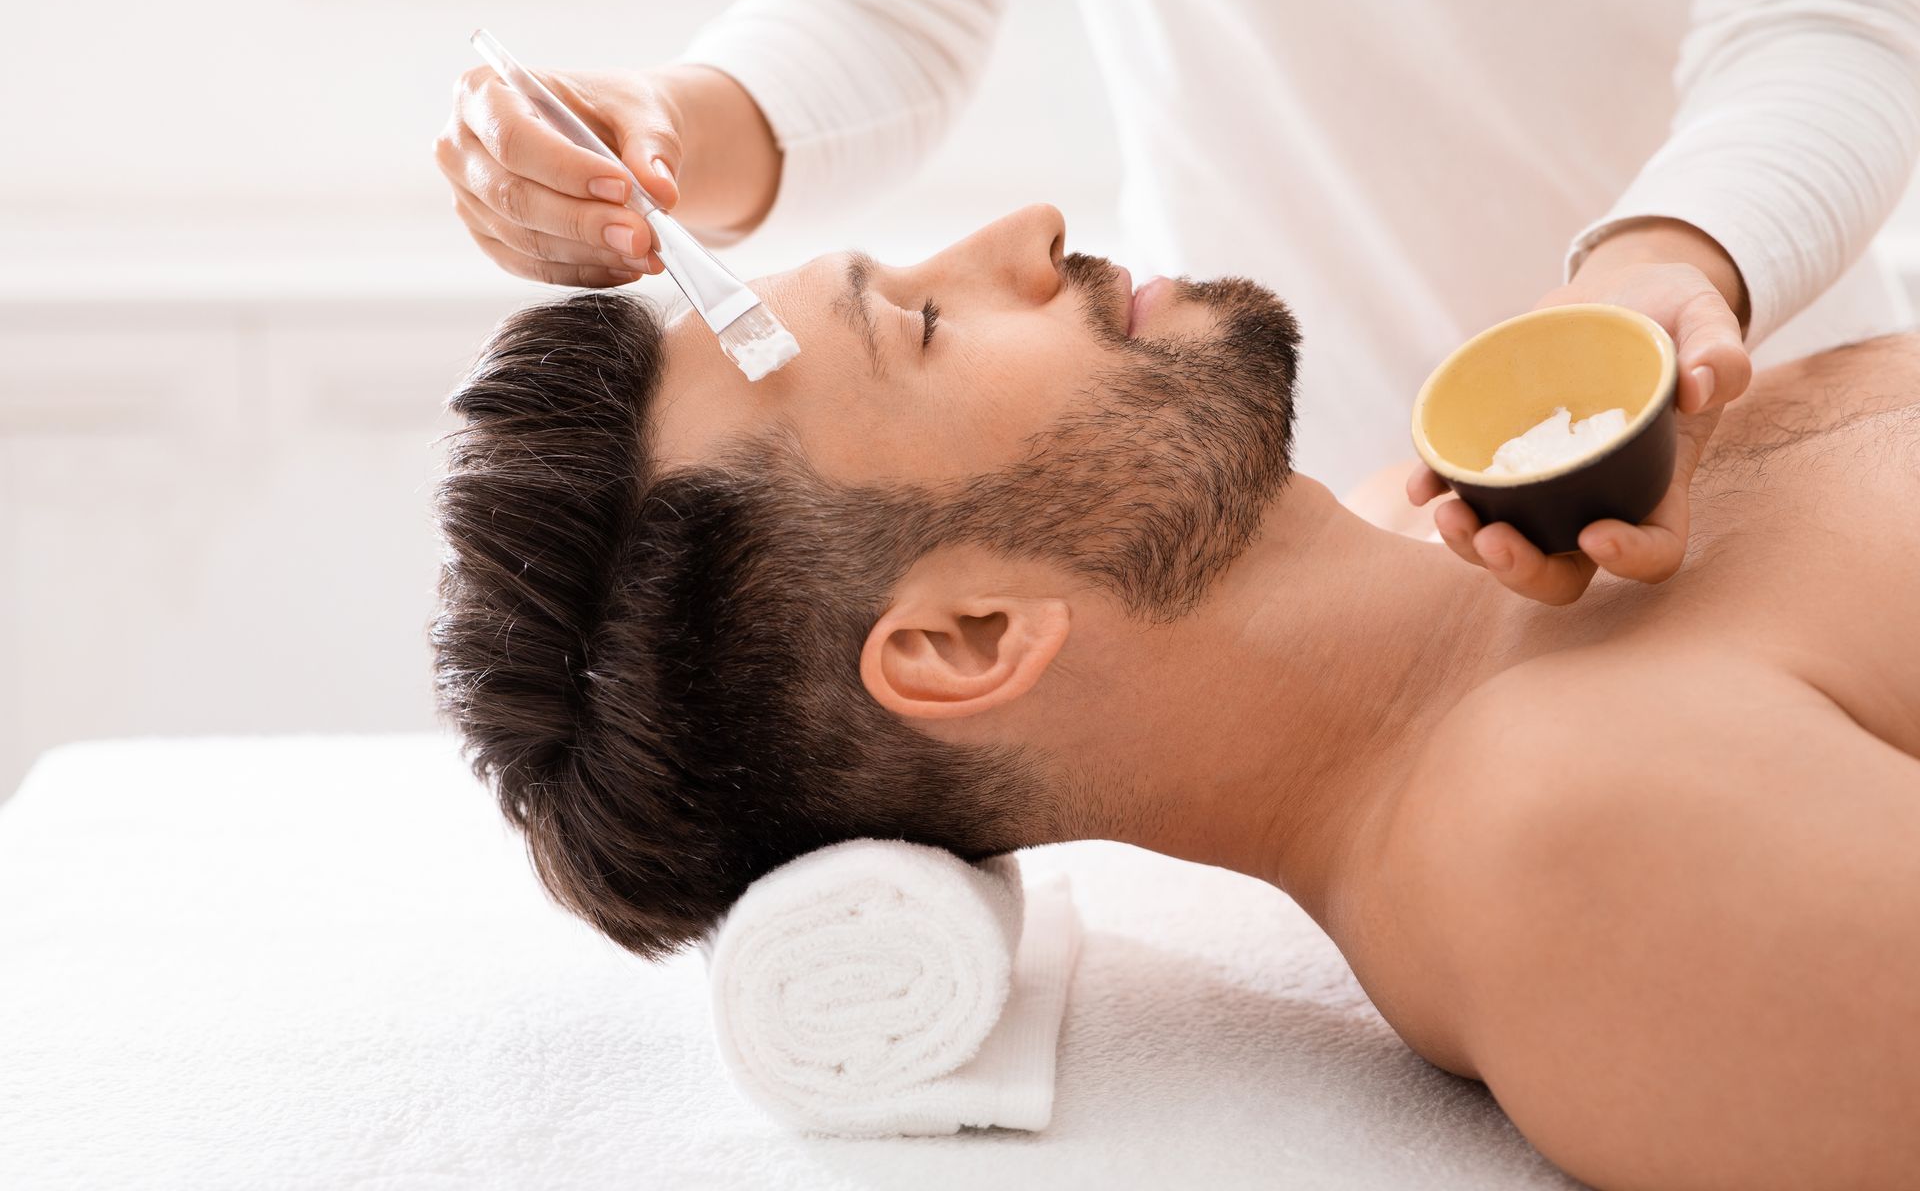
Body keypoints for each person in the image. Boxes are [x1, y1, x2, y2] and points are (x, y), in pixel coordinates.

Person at [432, 205, 1919, 1191]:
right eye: (929, 322)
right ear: (968, 638)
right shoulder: (1575, 845)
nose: (1027, 229)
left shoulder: (1485, 515)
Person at [433, 0, 1920, 606]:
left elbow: (1837, 0)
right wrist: (674, 123)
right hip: (1308, 495)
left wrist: (1672, 263)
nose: (1040, 237)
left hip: (1742, 387)